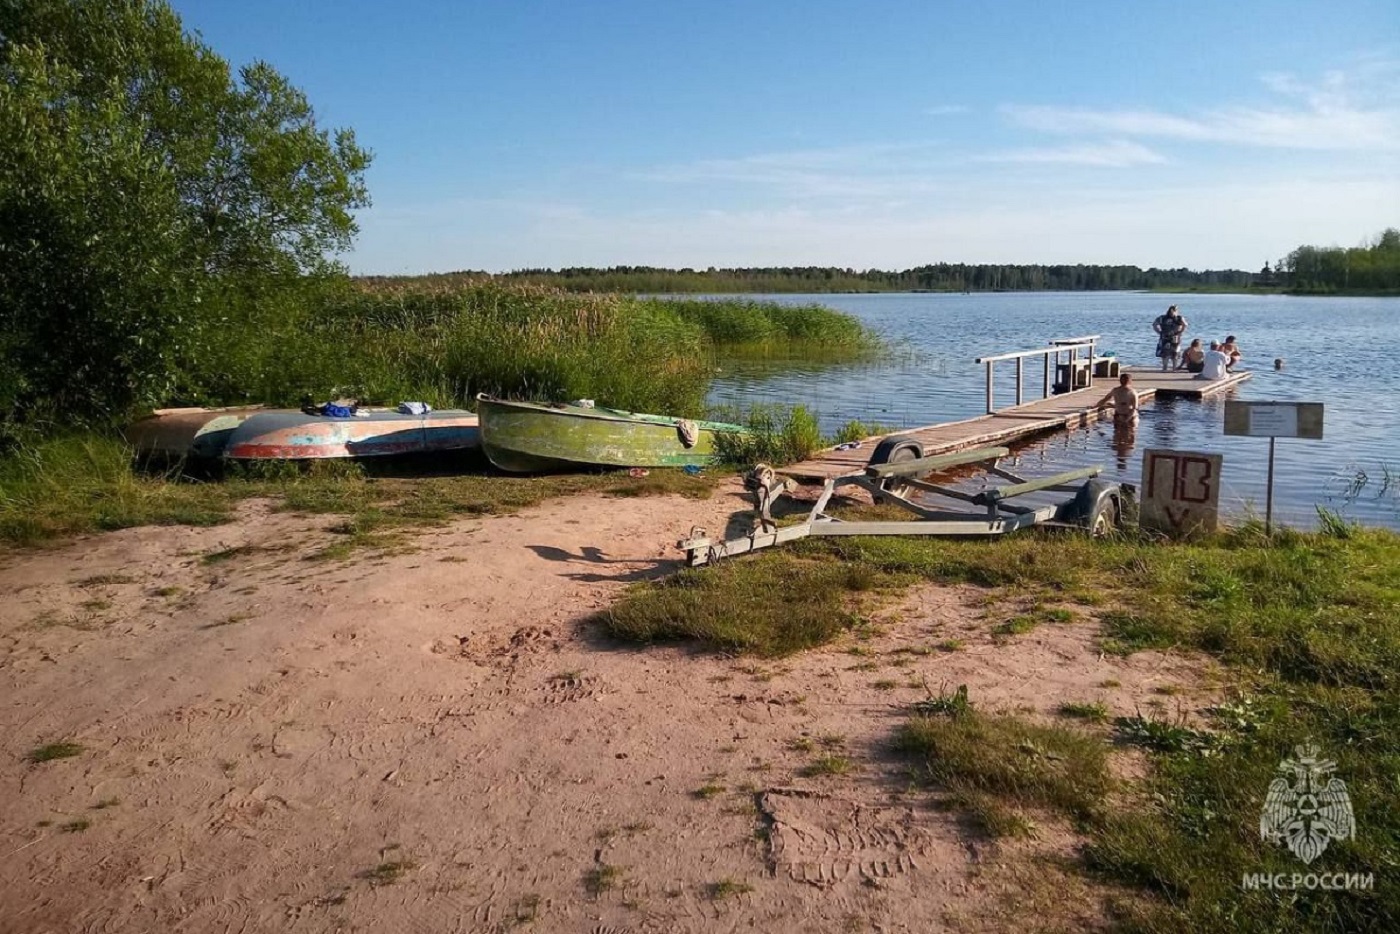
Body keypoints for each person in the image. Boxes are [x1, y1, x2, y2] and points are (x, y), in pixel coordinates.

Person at [1152, 305, 1188, 371]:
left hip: (1166, 336)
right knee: (1174, 353)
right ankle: (1173, 368)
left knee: (1166, 353)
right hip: (1174, 337)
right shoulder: (1179, 318)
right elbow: (1185, 325)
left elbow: (1154, 324)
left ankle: (1165, 368)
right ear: (1176, 311)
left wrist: (1159, 332)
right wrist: (1180, 331)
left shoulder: (1162, 318)